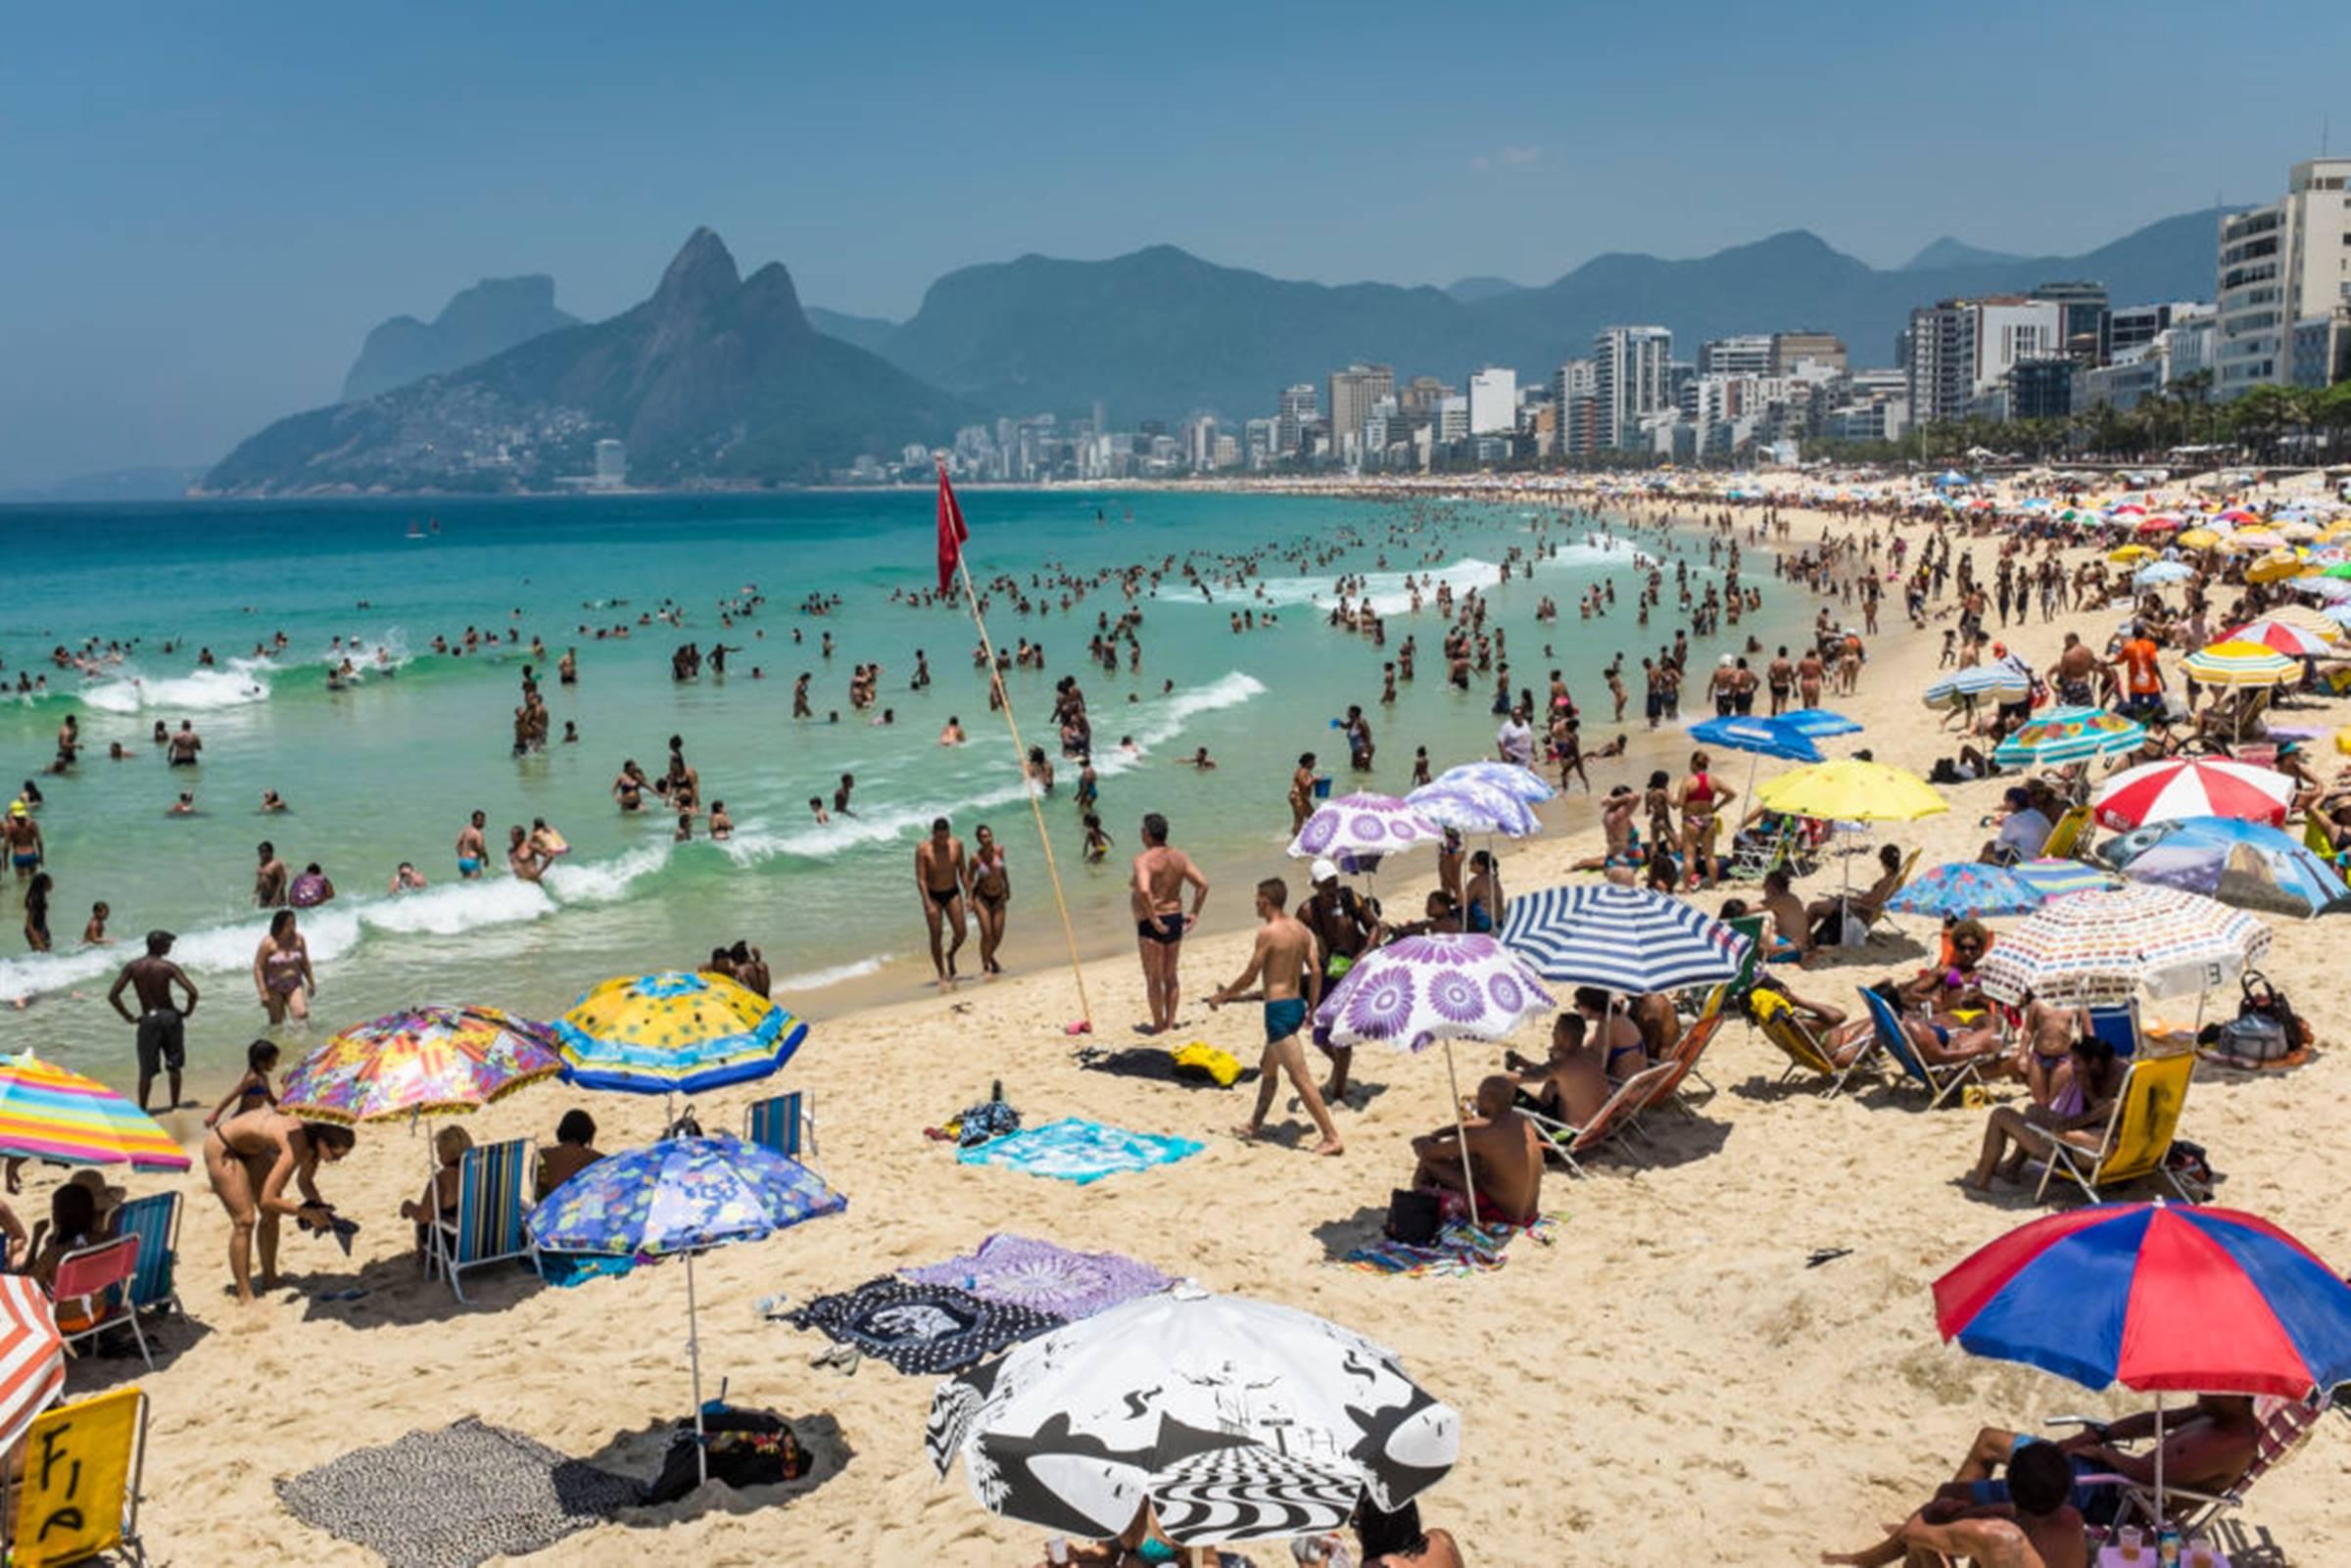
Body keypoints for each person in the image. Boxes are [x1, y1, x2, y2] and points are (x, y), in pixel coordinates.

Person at [1210, 877, 1342, 1157]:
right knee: (1268, 1068)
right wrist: (1313, 1007)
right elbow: (1316, 970)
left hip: (1278, 1012)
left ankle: (1331, 1137)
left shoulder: (1268, 933)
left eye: (1257, 898)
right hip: (1296, 1005)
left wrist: (1224, 996)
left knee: (1300, 1078)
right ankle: (1254, 1125)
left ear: (1266, 900)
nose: (1255, 902)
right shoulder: (1301, 930)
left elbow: (1250, 975)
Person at [1822, 1437, 2086, 1568]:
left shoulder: (1996, 1536)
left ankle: (1860, 1561)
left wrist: (1933, 1511)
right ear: (2065, 1493)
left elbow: (1912, 1533)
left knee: (1925, 1541)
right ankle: (1862, 1560)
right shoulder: (2072, 1521)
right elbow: (2023, 1520)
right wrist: (1972, 1514)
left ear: (2010, 1487)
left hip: (1986, 1538)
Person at [204, 1110, 357, 1304]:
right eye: (335, 1156)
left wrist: (319, 1207)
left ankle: (270, 1278)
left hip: (254, 1149)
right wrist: (306, 1213)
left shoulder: (314, 1146)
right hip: (223, 1145)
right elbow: (268, 1198)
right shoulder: (297, 1143)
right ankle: (245, 1294)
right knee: (244, 1220)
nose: (335, 1161)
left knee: (271, 1214)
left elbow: (305, 1182)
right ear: (323, 1142)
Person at [1966, 1032, 2124, 1190]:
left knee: (2000, 1114)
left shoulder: (2107, 1111)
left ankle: (1981, 1181)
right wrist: (2088, 1092)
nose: (2073, 1068)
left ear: (2094, 1062)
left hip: (2071, 1156)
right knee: (2034, 1111)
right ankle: (2012, 1167)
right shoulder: (2117, 1095)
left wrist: (2092, 1113)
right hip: (2093, 1148)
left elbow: (2062, 1130)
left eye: (2076, 1063)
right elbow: (2097, 1119)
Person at [1410, 1075, 1544, 1226]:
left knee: (1429, 1163)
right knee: (1467, 1159)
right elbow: (1480, 1123)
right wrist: (1440, 1132)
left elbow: (1428, 1152)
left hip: (1503, 1215)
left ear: (1489, 1098)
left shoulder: (1484, 1136)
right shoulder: (1521, 1120)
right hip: (1528, 1213)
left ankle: (1420, 1205)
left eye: (1479, 1095)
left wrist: (1420, 1142)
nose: (1477, 1100)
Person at [1128, 812, 1207, 1036]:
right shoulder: (1179, 857)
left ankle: (1159, 1025)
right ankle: (1170, 1024)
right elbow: (1202, 884)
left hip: (1152, 922)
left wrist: (1153, 918)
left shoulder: (1143, 860)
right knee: (1170, 975)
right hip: (1174, 917)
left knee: (1153, 977)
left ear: (1146, 834)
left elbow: (1145, 890)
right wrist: (1194, 912)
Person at [107, 929, 199, 1114]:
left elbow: (113, 995)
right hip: (170, 1018)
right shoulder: (168, 967)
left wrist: (129, 1017)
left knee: (146, 1070)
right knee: (174, 1065)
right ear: (160, 946)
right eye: (168, 944)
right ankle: (174, 1106)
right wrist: (187, 1012)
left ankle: (142, 1109)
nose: (170, 947)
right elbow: (193, 992)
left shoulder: (133, 967)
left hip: (148, 1020)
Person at [1505, 1012, 1608, 1128]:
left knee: (1511, 1093)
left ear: (1564, 1037)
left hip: (1567, 1130)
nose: (1552, 1033)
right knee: (1553, 1085)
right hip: (1596, 1125)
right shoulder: (1590, 1056)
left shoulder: (1563, 1064)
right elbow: (1549, 1073)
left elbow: (1528, 1077)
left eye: (1555, 1030)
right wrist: (1525, 1064)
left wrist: (1495, 1080)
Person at [916, 817, 968, 991]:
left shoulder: (957, 845)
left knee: (961, 932)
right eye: (939, 838)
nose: (942, 841)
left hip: (952, 892)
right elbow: (921, 879)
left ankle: (951, 954)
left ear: (949, 834)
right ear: (933, 834)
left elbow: (962, 871)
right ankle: (941, 973)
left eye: (945, 837)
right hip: (933, 895)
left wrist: (969, 894)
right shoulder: (923, 849)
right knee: (936, 934)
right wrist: (927, 903)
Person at [400, 1124, 473, 1250]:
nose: (439, 1158)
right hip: (488, 1240)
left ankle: (424, 1258)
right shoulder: (484, 1170)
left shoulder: (443, 1178)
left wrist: (407, 1206)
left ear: (448, 1153)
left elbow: (423, 1216)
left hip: (457, 1246)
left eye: (439, 1152)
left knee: (424, 1224)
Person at [1676, 748, 1736, 888]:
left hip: (1691, 820)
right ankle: (1714, 884)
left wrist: (1670, 800)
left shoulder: (1688, 781)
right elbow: (1731, 794)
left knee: (1689, 856)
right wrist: (1718, 806)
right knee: (1710, 856)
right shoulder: (1713, 781)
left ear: (1693, 763)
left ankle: (1686, 888)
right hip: (1708, 819)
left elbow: (1680, 803)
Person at [253, 908, 314, 1024]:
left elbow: (305, 962)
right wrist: (263, 992)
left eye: (293, 923)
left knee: (301, 1014)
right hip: (273, 987)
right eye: (289, 924)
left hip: (294, 984)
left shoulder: (299, 939)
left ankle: (305, 1036)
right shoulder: (268, 942)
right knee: (277, 1023)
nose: (292, 927)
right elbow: (258, 967)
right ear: (280, 925)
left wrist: (311, 982)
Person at [966, 824, 1011, 977]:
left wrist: (1008, 888)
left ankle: (990, 957)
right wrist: (969, 898)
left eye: (989, 835)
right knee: (987, 934)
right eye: (984, 837)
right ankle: (985, 966)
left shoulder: (999, 851)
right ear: (979, 840)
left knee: (997, 935)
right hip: (982, 897)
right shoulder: (975, 858)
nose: (988, 839)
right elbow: (969, 879)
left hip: (999, 896)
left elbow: (1003, 870)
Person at [205, 1038, 280, 1128]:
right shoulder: (252, 1078)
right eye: (273, 1060)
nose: (275, 1063)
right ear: (260, 1061)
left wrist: (287, 1106)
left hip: (252, 1120)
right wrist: (215, 1114)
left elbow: (271, 1100)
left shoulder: (264, 1078)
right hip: (241, 1119)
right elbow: (232, 1096)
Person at [537, 1109, 603, 1199]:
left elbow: (538, 1194)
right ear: (588, 1134)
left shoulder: (541, 1156)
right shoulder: (598, 1159)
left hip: (551, 1206)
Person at [1981, 786, 2053, 865]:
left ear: (2013, 803)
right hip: (2044, 854)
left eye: (2006, 800)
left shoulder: (2012, 820)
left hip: (2029, 859)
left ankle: (1978, 870)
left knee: (1989, 847)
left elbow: (2000, 846)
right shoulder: (2037, 814)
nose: (2005, 804)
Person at [22, 872, 51, 952]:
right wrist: (37, 939)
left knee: (46, 955)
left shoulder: (41, 897)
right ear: (43, 884)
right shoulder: (34, 899)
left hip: (41, 928)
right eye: (50, 881)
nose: (52, 884)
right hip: (35, 930)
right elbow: (29, 924)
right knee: (42, 954)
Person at [253, 839, 289, 906]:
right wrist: (255, 893)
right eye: (260, 852)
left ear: (270, 852)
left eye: (263, 852)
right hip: (264, 895)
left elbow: (282, 881)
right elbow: (259, 880)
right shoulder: (261, 864)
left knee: (279, 912)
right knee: (262, 912)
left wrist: (277, 895)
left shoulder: (276, 864)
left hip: (275, 895)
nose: (261, 854)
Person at [456, 810, 489, 879]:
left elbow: (457, 845)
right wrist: (486, 858)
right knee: (476, 883)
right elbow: (480, 847)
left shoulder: (465, 830)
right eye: (480, 820)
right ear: (474, 820)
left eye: (483, 820)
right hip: (472, 861)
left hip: (462, 862)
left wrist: (461, 855)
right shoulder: (478, 833)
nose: (482, 823)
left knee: (467, 884)